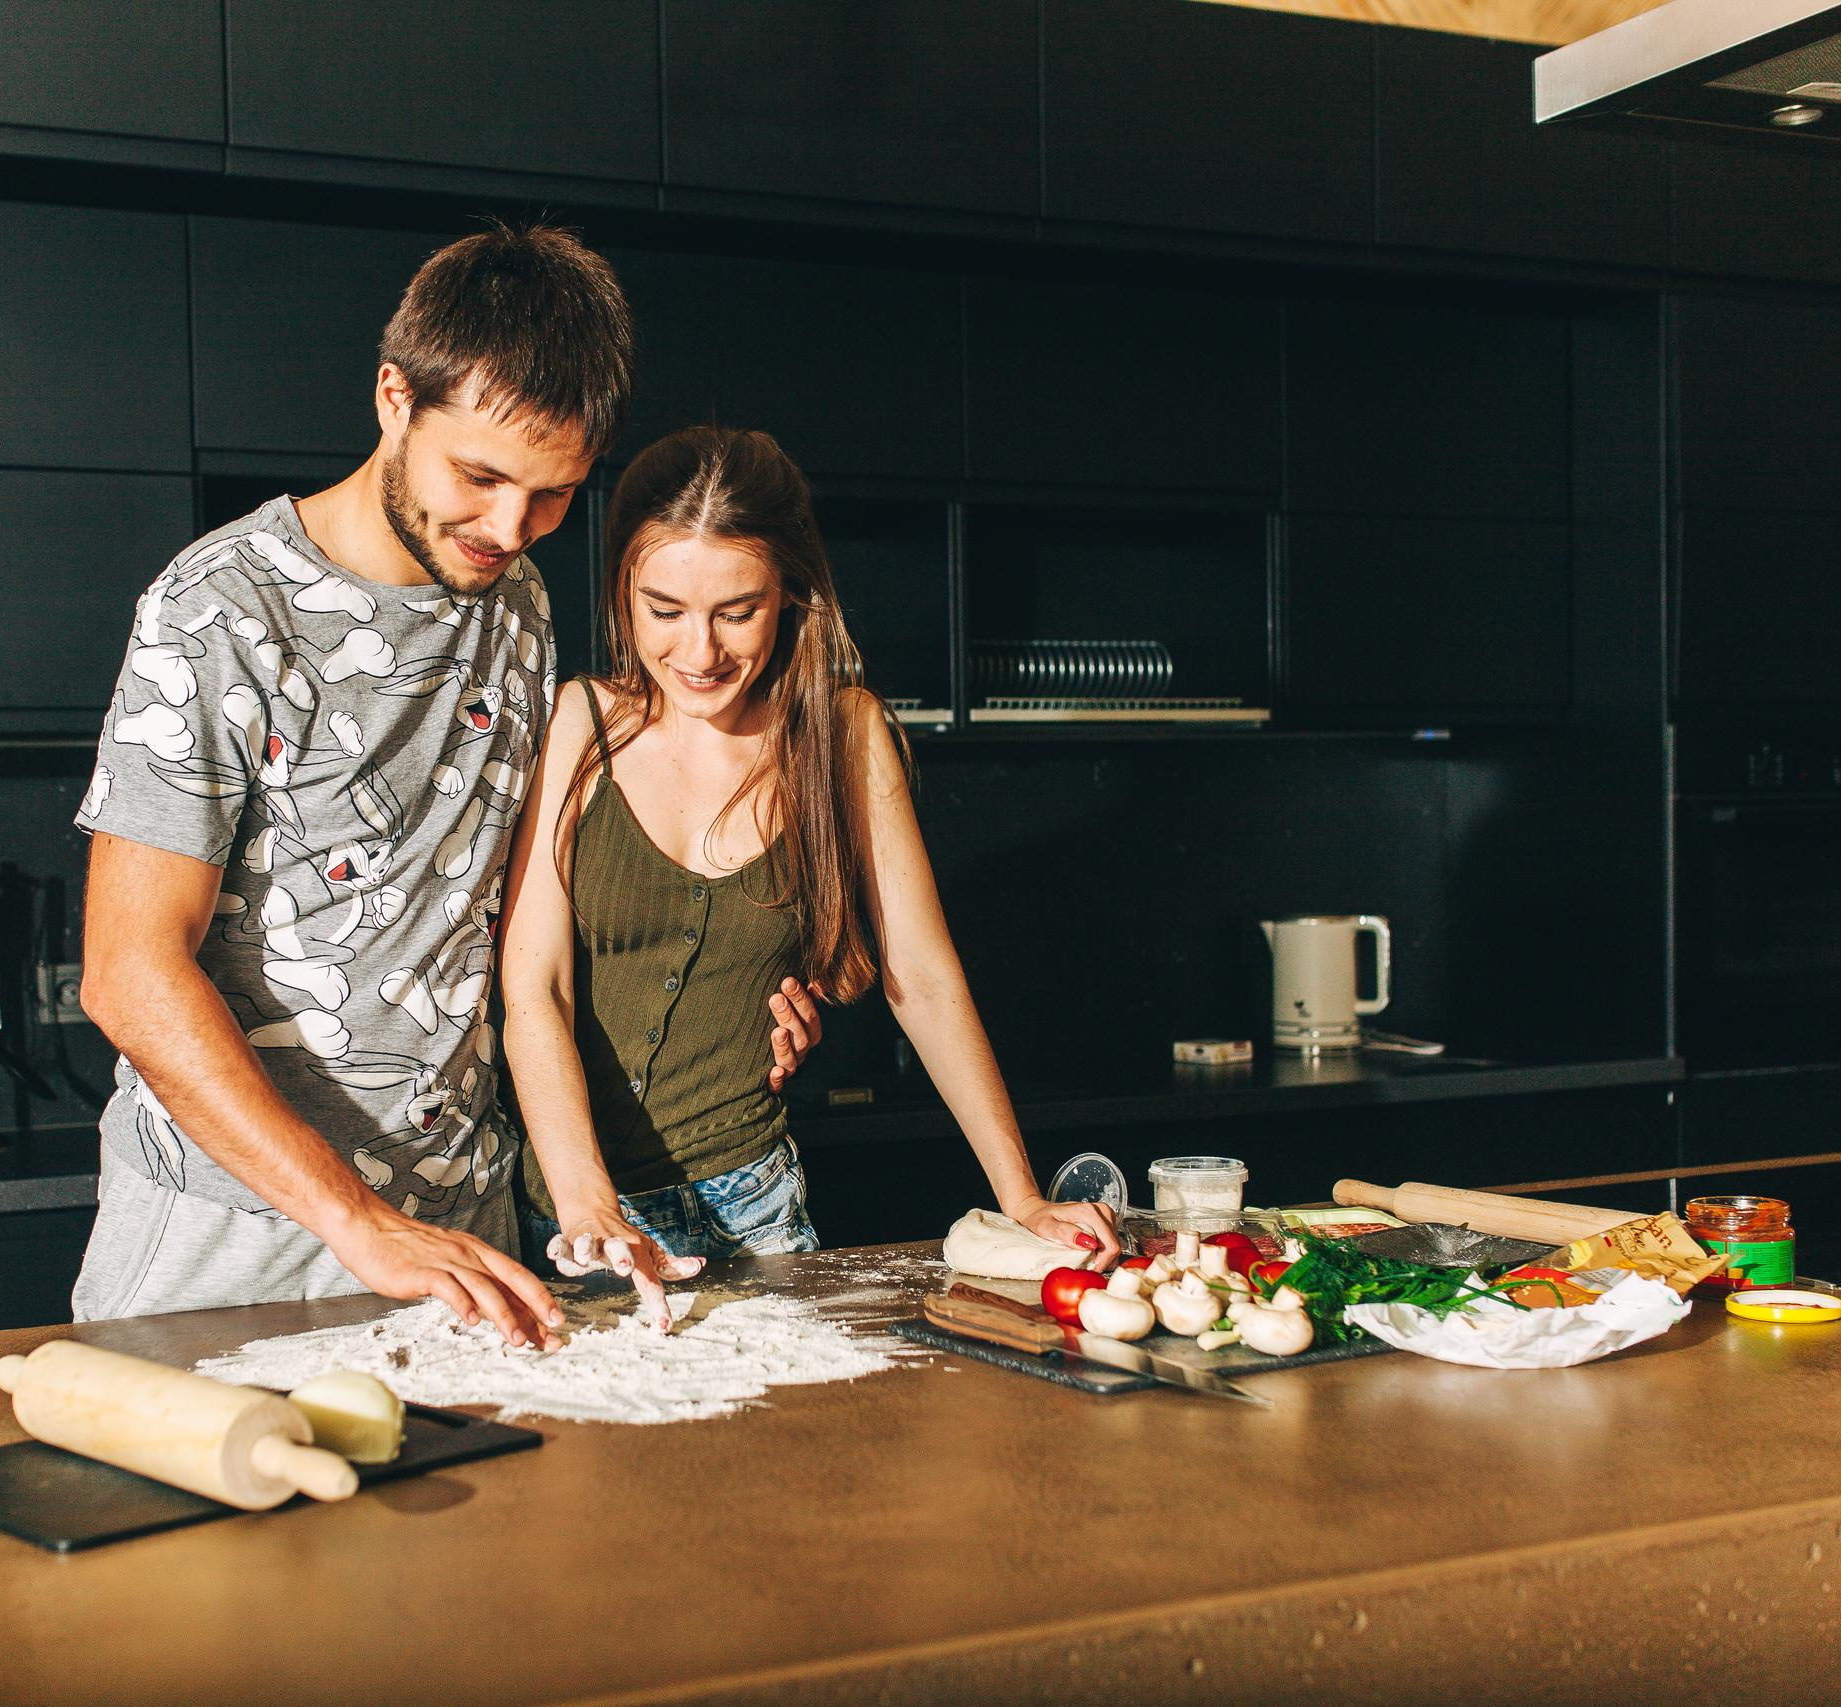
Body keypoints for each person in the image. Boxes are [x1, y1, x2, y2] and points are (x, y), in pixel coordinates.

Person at [70, 226, 822, 1346]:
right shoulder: (217, 610)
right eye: (479, 477)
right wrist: (356, 1218)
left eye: (553, 494)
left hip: (463, 1226)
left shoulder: (514, 601)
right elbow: (128, 977)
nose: (510, 529)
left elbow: (528, 928)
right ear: (393, 399)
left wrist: (741, 980)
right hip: (234, 1230)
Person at [497, 426, 1122, 1328]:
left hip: (753, 1212)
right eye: (663, 608)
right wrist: (586, 1203)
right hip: (572, 1213)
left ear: (790, 591)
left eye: (736, 610)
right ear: (622, 592)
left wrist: (1021, 1196)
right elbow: (535, 989)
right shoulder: (581, 725)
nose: (699, 651)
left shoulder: (845, 734)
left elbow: (925, 979)